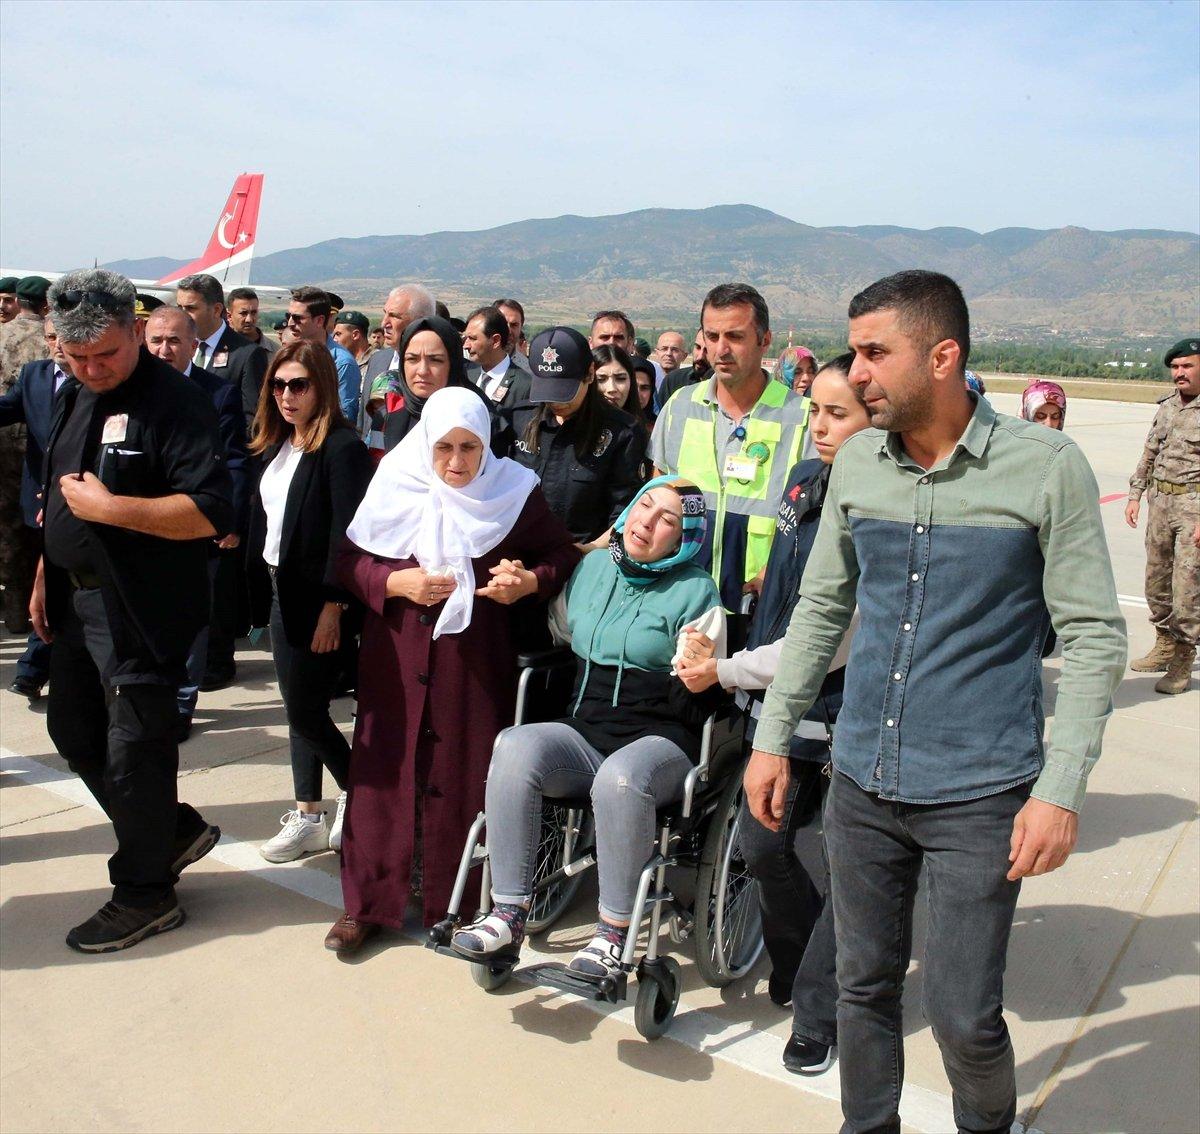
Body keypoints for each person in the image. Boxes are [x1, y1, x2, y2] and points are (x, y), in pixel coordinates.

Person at [749, 270, 1127, 1134]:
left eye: (877, 353)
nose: (857, 373)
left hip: (982, 795)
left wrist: (1059, 789)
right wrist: (774, 739)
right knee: (864, 989)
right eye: (855, 352)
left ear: (944, 356)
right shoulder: (857, 471)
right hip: (862, 782)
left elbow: (1097, 638)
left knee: (963, 1018)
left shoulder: (1045, 469)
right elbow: (822, 611)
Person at [324, 386, 579, 953]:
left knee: (462, 772)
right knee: (385, 775)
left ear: (487, 445)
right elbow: (348, 560)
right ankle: (367, 901)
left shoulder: (511, 491)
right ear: (425, 445)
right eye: (444, 448)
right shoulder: (396, 480)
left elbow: (559, 554)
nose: (457, 463)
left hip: (472, 665)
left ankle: (457, 900)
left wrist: (528, 582)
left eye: (470, 448)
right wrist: (395, 583)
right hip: (397, 662)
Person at [677, 352, 866, 1076]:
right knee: (764, 850)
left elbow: (828, 640)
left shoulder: (878, 508)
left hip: (840, 713)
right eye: (814, 409)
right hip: (777, 711)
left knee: (853, 868)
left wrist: (724, 670)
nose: (818, 426)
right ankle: (802, 958)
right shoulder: (802, 483)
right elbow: (786, 594)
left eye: (838, 414)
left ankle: (819, 1006)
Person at [451, 476, 724, 975]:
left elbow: (700, 704)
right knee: (514, 745)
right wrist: (517, 585)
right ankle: (508, 912)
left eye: (668, 520)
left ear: (684, 539)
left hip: (661, 739)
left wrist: (699, 674)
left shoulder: (697, 592)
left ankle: (612, 936)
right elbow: (553, 633)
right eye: (644, 506)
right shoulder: (593, 568)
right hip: (587, 727)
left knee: (620, 779)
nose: (647, 521)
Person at [35, 269, 233, 952]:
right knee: (73, 729)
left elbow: (210, 511)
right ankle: (170, 831)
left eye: (105, 354)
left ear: (135, 330)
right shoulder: (75, 392)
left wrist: (114, 511)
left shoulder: (173, 403)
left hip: (141, 606)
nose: (91, 368)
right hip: (76, 597)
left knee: (135, 751)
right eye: (76, 356)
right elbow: (58, 494)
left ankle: (145, 892)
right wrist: (45, 572)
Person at [246, 341, 373, 862]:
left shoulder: (340, 447)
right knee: (299, 707)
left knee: (304, 708)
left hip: (318, 599)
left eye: (298, 385)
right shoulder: (279, 443)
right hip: (281, 590)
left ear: (322, 386)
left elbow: (350, 534)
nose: (286, 395)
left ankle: (362, 799)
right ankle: (308, 813)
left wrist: (333, 605)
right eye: (278, 385)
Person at [651, 282, 811, 609]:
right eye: (712, 337)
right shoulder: (680, 407)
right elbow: (655, 494)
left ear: (765, 340)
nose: (721, 350)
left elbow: (815, 518)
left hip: (761, 602)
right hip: (681, 598)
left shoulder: (802, 417)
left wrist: (775, 572)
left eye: (735, 337)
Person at [143, 306, 249, 738]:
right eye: (156, 340)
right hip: (137, 527)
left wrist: (230, 518)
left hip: (194, 528)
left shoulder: (217, 394)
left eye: (174, 341)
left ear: (193, 345)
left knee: (190, 622)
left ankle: (182, 704)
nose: (165, 349)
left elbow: (236, 462)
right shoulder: (126, 390)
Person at [503, 327, 647, 548]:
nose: (556, 403)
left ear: (589, 374)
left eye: (564, 392)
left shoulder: (621, 433)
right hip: (519, 553)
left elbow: (624, 512)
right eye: (548, 392)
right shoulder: (520, 419)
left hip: (583, 558)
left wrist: (588, 551)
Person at [0, 314, 69, 697]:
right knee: (44, 582)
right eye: (51, 337)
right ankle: (34, 665)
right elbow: (9, 409)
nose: (57, 344)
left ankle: (32, 666)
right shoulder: (34, 375)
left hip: (78, 498)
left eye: (63, 336)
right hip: (37, 498)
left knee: (57, 581)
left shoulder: (97, 379)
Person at [1125, 336, 1199, 695]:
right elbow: (1150, 451)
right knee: (1156, 582)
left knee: (1187, 589)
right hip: (1160, 504)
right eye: (1175, 367)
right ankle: (1164, 644)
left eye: (1187, 366)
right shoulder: (1168, 406)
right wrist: (1135, 494)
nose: (1179, 373)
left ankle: (1183, 659)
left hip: (1193, 509)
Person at [0, 276, 52, 633]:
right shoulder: (55, 340)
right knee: (43, 535)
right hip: (41, 451)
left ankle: (17, 615)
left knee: (9, 535)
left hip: (4, 450)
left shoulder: (2, 336)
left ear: (18, 302)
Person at [368, 315, 497, 456]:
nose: (422, 371)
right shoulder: (388, 414)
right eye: (412, 359)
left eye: (435, 360)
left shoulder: (480, 417)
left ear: (453, 364)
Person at [175, 273, 269, 429]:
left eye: (191, 308)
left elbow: (252, 419)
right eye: (179, 308)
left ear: (217, 309)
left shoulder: (247, 354)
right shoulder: (179, 347)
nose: (182, 315)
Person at [285, 286, 361, 425]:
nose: (290, 323)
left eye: (298, 318)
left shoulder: (341, 362)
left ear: (320, 320)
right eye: (288, 316)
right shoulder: (288, 355)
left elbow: (345, 416)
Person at [362, 283, 437, 394]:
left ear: (420, 321)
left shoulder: (436, 370)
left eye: (394, 316)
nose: (384, 324)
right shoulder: (377, 360)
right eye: (385, 313)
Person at [463, 304, 532, 412]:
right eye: (466, 338)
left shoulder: (525, 386)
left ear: (495, 341)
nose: (466, 345)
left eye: (472, 338)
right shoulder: (464, 375)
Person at [656, 329, 711, 410]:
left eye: (707, 350)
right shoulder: (673, 381)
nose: (700, 356)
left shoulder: (728, 385)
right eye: (698, 347)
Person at [226, 287, 278, 359]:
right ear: (229, 316)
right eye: (243, 313)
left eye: (253, 313)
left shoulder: (275, 353)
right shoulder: (217, 349)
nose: (249, 320)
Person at [592, 343, 641, 416]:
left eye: (620, 379)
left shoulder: (642, 426)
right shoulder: (572, 426)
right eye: (600, 379)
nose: (611, 389)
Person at [332, 309, 376, 386]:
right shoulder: (338, 362)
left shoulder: (378, 360)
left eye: (338, 334)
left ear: (355, 335)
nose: (334, 339)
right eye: (334, 335)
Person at [493, 297, 532, 370]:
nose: (508, 331)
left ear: (521, 327)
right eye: (503, 324)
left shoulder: (528, 371)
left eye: (514, 325)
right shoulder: (474, 365)